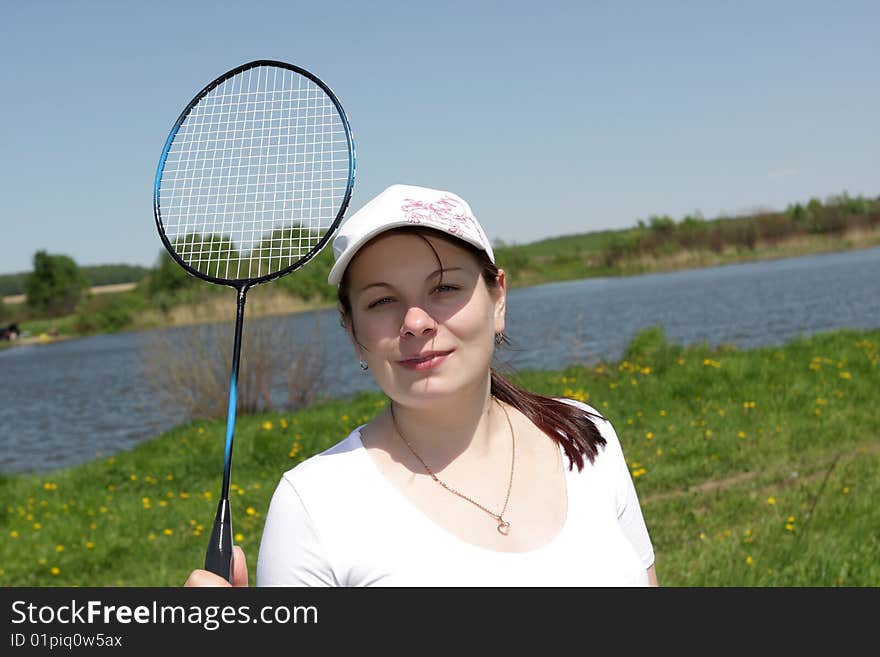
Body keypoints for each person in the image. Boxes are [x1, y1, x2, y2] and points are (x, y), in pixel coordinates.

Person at [185, 183, 658, 587]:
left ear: (498, 300)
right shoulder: (312, 505)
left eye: (444, 288)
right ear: (352, 332)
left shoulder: (585, 435)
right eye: (382, 300)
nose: (414, 322)